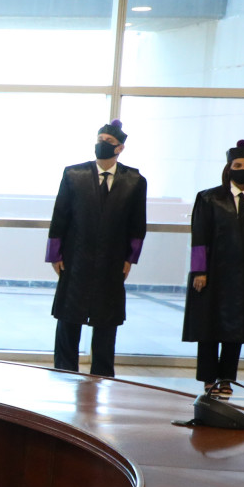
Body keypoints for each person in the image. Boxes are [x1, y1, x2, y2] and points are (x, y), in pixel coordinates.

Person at [47, 118, 147, 378]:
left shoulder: (134, 180)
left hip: (113, 260)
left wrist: (130, 259)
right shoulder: (74, 174)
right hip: (75, 257)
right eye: (100, 139)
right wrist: (55, 254)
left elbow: (138, 224)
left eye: (108, 141)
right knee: (69, 317)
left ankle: (102, 376)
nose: (102, 143)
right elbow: (60, 216)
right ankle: (64, 372)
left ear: (120, 148)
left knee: (106, 319)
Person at [183, 141, 244, 397]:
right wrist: (199, 271)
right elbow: (199, 237)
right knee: (208, 326)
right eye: (238, 165)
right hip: (213, 273)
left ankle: (226, 378)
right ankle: (208, 378)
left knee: (236, 328)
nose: (243, 170)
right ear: (228, 168)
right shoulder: (209, 198)